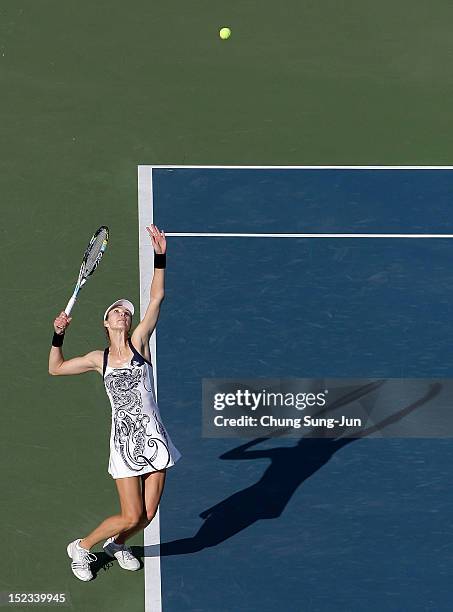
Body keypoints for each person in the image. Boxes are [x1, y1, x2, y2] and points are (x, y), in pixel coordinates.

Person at [48, 224, 181, 581]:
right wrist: (58, 334)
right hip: (124, 442)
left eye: (127, 312)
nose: (124, 313)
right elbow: (55, 368)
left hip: (153, 437)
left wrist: (160, 256)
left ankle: (116, 545)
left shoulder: (140, 342)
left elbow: (156, 298)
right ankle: (82, 546)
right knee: (130, 514)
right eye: (117, 312)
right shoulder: (98, 358)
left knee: (148, 515)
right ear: (106, 323)